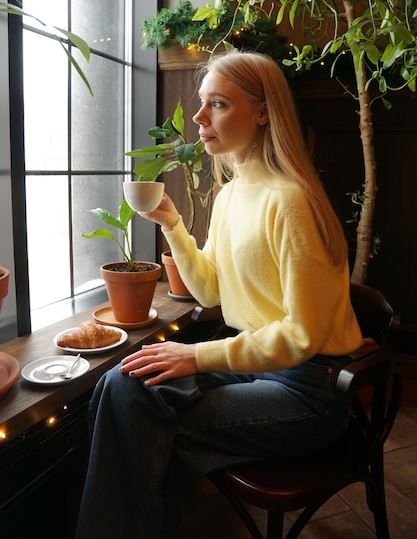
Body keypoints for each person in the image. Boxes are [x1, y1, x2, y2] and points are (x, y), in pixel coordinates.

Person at [75, 52, 363, 539]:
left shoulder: (289, 200)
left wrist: (196, 356)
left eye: (219, 104)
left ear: (263, 111)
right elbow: (208, 289)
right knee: (122, 385)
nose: (200, 118)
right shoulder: (230, 195)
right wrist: (173, 225)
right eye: (202, 104)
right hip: (256, 367)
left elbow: (303, 335)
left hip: (308, 389)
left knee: (137, 421)